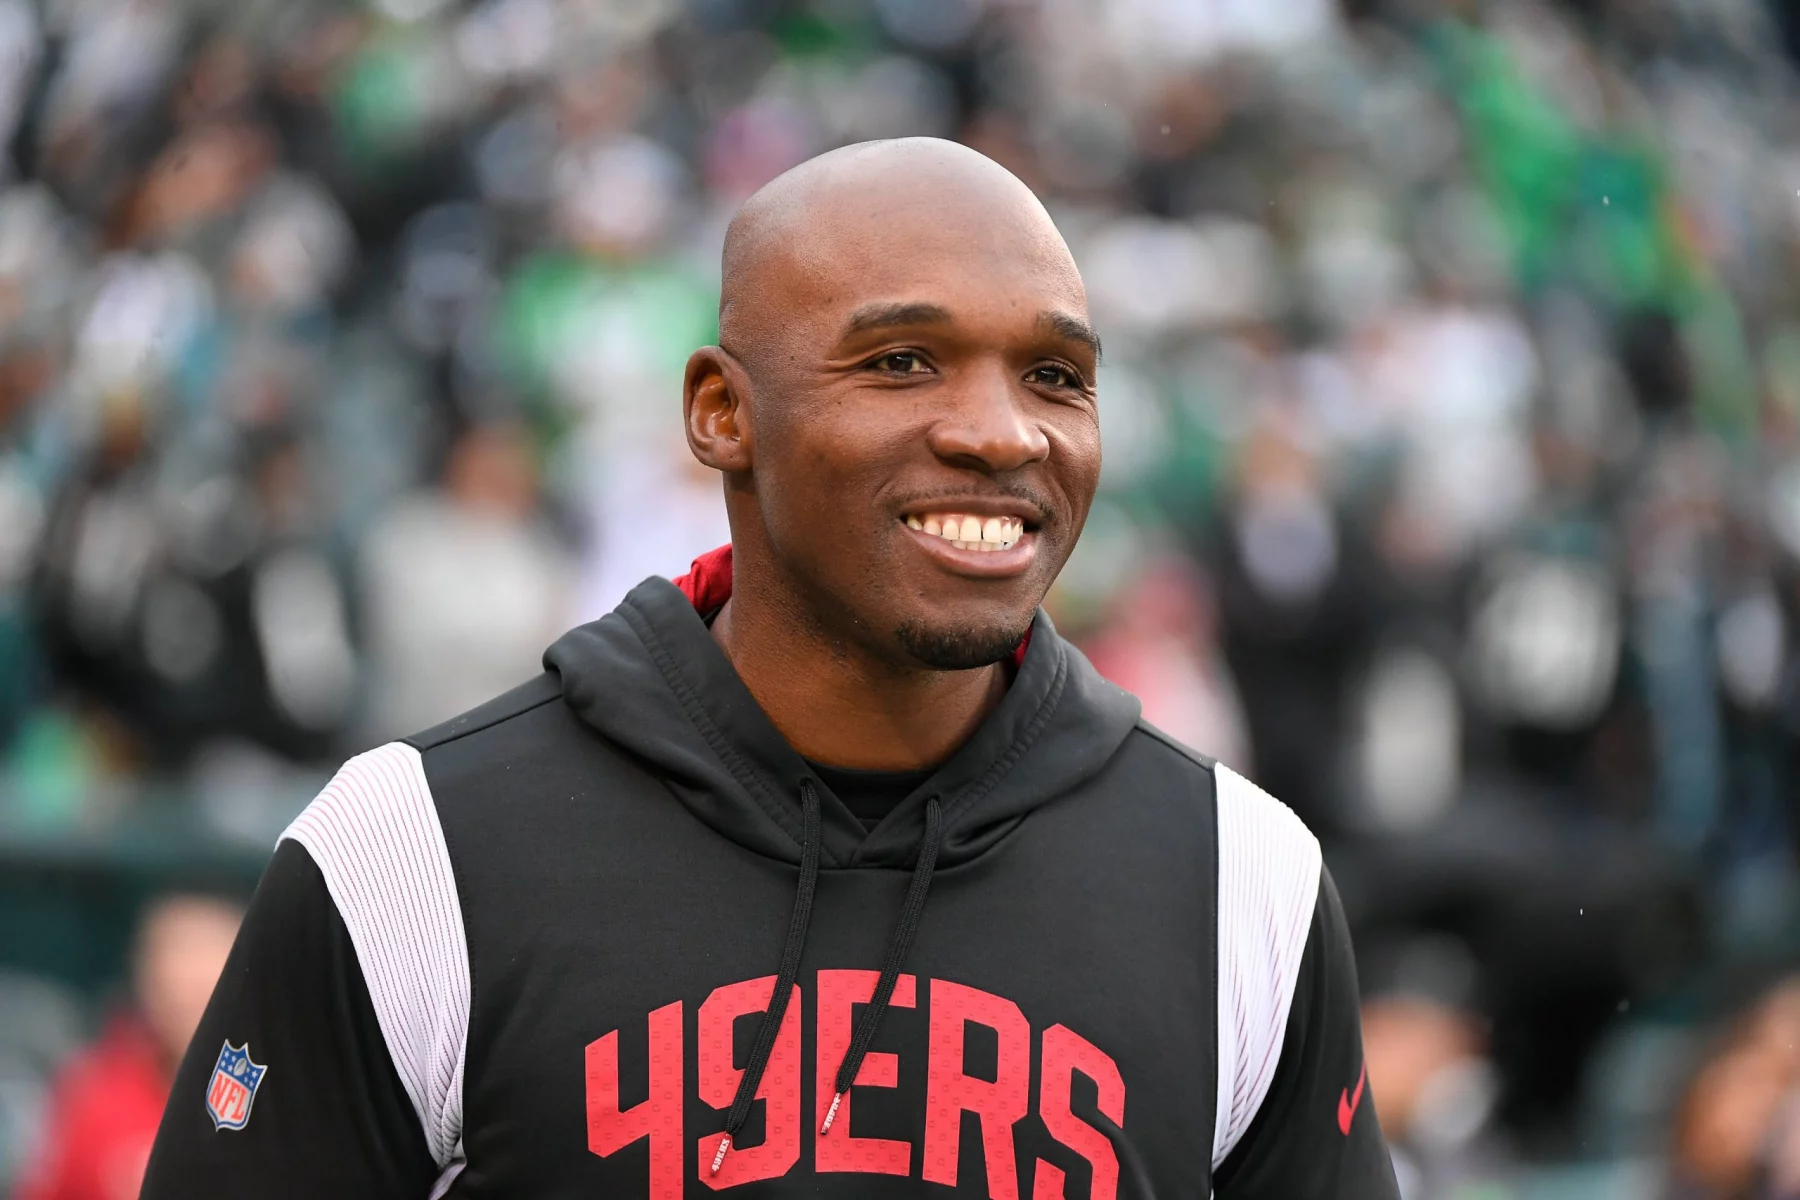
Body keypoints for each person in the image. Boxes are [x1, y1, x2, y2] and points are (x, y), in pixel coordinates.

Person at [141, 138, 1399, 1198]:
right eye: (903, 360)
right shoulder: (413, 853)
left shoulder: (1246, 880)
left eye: (1055, 376)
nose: (1002, 431)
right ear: (720, 412)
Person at [16, 894, 241, 1200]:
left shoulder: (282, 1098)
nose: (187, 991)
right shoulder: (94, 1092)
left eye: (206, 984)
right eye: (175, 969)